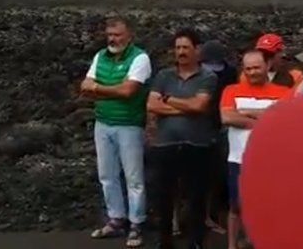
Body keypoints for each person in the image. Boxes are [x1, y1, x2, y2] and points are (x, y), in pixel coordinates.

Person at [81, 17, 151, 248]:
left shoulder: (140, 58)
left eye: (118, 35)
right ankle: (116, 219)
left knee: (133, 177)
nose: (113, 39)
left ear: (129, 35)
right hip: (103, 123)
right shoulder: (100, 56)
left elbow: (129, 91)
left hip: (129, 124)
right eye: (110, 34)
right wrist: (111, 90)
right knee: (107, 175)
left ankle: (137, 223)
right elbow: (84, 86)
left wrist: (99, 89)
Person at [147, 28, 218, 249]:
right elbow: (151, 105)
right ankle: (164, 241)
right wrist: (184, 107)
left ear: (196, 50)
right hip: (165, 144)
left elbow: (199, 106)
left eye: (185, 47)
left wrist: (168, 99)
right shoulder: (163, 75)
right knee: (164, 198)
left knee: (196, 197)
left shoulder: (208, 77)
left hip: (196, 144)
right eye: (177, 48)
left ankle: (195, 242)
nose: (181, 52)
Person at [220, 50, 291, 249]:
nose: (252, 72)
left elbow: (285, 120)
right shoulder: (231, 90)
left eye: (256, 68)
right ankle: (232, 245)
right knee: (236, 206)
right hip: (238, 159)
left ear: (267, 66)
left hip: (271, 161)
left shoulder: (283, 92)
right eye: (248, 68)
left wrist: (246, 112)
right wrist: (267, 116)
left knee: (269, 206)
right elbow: (227, 117)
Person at [198, 40, 238, 234]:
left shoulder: (230, 73)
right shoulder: (197, 74)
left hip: (222, 128)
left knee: (217, 177)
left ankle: (211, 216)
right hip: (198, 126)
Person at [239, 33, 303, 88]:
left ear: (280, 53)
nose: (266, 58)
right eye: (262, 55)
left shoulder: (295, 76)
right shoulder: (248, 75)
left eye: (270, 55)